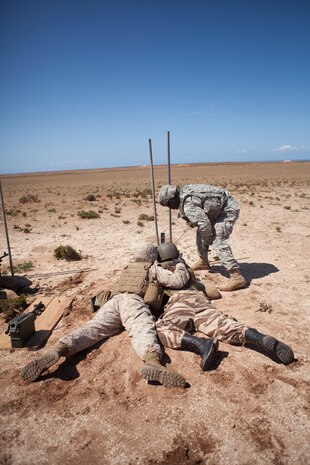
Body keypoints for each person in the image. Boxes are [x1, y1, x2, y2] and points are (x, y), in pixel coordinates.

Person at [20, 244, 187, 388]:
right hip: (133, 302)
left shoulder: (127, 269)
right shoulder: (151, 268)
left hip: (113, 302)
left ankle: (60, 348)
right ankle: (152, 361)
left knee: (93, 328)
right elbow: (178, 281)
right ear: (152, 256)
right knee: (142, 329)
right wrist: (179, 265)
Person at [152, 242, 295, 366]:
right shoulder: (186, 269)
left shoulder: (158, 272)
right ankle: (255, 337)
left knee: (161, 329)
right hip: (200, 300)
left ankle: (200, 344)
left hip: (178, 303)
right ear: (178, 254)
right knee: (223, 324)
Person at [158, 183, 246, 291]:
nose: (170, 208)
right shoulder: (183, 193)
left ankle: (236, 276)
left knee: (218, 240)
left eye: (168, 204)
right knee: (201, 232)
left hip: (226, 210)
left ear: (172, 198)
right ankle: (203, 261)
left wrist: (207, 240)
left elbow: (204, 225)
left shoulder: (188, 205)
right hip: (216, 210)